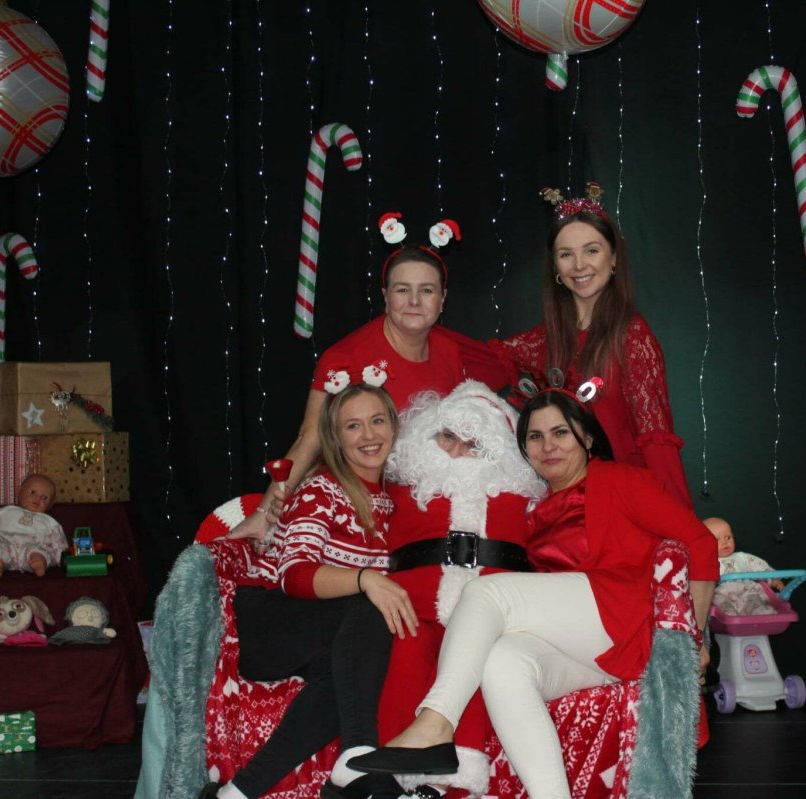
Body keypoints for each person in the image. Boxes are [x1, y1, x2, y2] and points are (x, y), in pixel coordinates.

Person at [347, 389, 718, 799]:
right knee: (503, 662)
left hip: (625, 620)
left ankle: (435, 723)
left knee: (486, 592)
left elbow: (700, 543)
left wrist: (692, 639)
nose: (548, 446)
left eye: (560, 432)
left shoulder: (620, 480)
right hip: (589, 648)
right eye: (535, 437)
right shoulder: (535, 507)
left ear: (587, 437)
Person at [200, 378, 418, 799]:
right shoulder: (322, 489)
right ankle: (359, 753)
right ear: (335, 438)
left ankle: (236, 793)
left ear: (394, 427)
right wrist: (366, 579)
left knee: (344, 679)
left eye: (377, 421)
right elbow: (294, 575)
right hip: (269, 621)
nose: (368, 435)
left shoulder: (396, 500)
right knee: (371, 606)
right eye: (353, 426)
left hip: (333, 630)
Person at [458, 183, 693, 508]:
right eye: (566, 254)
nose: (579, 265)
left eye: (591, 250)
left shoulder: (632, 336)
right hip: (565, 505)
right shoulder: (544, 340)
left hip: (623, 503)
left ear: (613, 258)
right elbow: (473, 359)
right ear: (555, 266)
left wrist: (680, 520)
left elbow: (656, 439)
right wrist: (411, 329)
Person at [233, 230, 468, 544]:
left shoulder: (451, 352)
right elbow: (310, 438)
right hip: (354, 510)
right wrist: (264, 513)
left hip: (421, 505)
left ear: (443, 298)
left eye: (426, 290)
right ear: (385, 296)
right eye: (402, 290)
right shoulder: (346, 357)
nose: (414, 301)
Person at [378, 379, 548, 797]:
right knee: (407, 650)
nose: (454, 451)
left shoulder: (524, 498)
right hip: (413, 606)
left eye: (472, 444)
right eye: (446, 437)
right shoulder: (400, 488)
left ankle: (453, 781)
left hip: (492, 613)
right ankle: (393, 774)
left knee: (474, 656)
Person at [0, 473, 66, 577]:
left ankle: (39, 562)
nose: (37, 498)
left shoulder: (49, 521)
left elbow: (58, 541)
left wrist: (62, 558)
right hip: (6, 542)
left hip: (33, 545)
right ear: (19, 491)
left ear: (50, 505)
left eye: (44, 498)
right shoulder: (6, 511)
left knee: (39, 551)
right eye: (33, 492)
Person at [705, 517, 783, 617]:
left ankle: (766, 617)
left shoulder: (742, 557)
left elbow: (760, 566)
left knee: (758, 600)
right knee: (718, 602)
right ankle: (730, 617)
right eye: (716, 540)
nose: (725, 542)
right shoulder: (707, 562)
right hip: (724, 593)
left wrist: (774, 579)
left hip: (747, 591)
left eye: (728, 537)